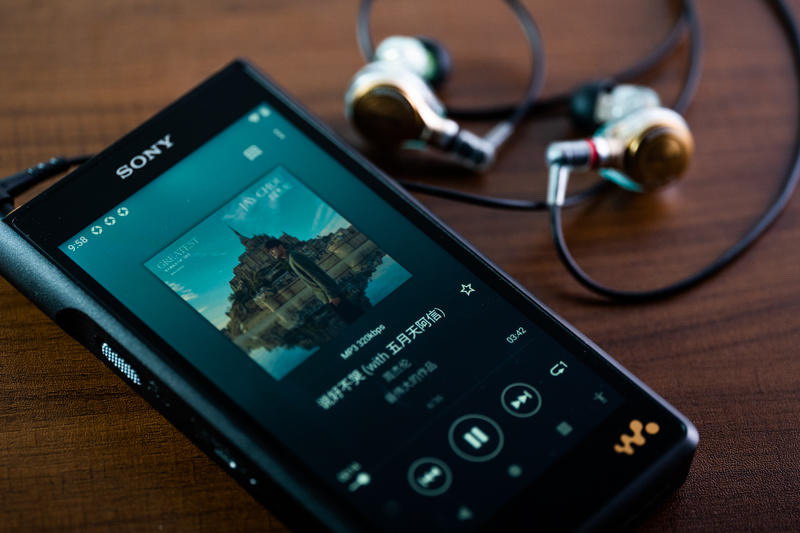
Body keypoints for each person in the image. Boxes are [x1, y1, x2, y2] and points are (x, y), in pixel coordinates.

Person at [263, 237, 362, 324]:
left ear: (280, 246)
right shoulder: (291, 258)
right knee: (356, 316)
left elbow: (315, 276)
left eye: (272, 250)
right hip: (329, 296)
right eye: (269, 252)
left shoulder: (294, 258)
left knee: (354, 319)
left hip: (331, 296)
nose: (271, 254)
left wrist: (332, 295)